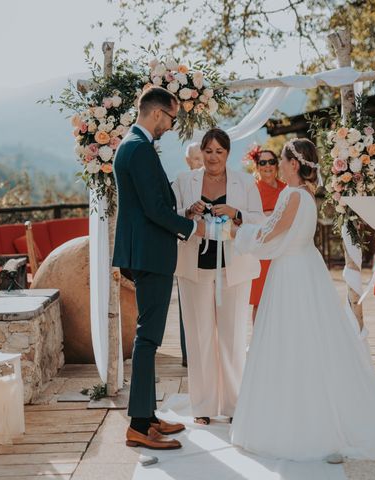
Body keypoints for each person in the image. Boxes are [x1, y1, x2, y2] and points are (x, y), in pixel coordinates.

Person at [229, 138, 375, 462]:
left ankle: (296, 422)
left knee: (289, 343)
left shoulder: (292, 195)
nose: (280, 167)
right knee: (312, 340)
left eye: (283, 161)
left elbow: (270, 234)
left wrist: (239, 235)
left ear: (294, 164)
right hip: (306, 268)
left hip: (291, 275)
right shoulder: (308, 195)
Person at [112, 86, 206, 450]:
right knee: (148, 339)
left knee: (148, 336)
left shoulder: (134, 146)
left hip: (148, 251)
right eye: (171, 118)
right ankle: (138, 424)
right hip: (149, 255)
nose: (171, 125)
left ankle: (148, 416)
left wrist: (183, 214)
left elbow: (148, 205)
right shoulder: (137, 149)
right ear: (156, 113)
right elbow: (152, 208)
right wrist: (190, 227)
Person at [172, 128, 264, 426]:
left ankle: (235, 404)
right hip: (194, 267)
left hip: (233, 268)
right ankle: (203, 405)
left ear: (228, 154)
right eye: (208, 151)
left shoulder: (245, 182)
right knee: (199, 337)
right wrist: (188, 212)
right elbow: (171, 216)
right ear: (201, 152)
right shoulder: (185, 181)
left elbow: (259, 220)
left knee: (232, 336)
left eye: (219, 152)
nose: (213, 157)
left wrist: (235, 212)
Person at [246, 147, 286, 324]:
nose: (267, 166)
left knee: (283, 300)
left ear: (277, 165)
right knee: (260, 302)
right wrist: (271, 215)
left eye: (271, 162)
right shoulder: (252, 190)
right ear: (257, 166)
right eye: (262, 162)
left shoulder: (287, 189)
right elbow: (247, 219)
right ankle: (258, 343)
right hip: (262, 252)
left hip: (284, 249)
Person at [178, 142, 203, 367]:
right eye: (197, 159)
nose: (201, 163)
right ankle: (189, 355)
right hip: (187, 249)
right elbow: (170, 213)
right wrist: (187, 212)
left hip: (213, 252)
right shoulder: (180, 183)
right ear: (188, 161)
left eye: (203, 158)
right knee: (187, 306)